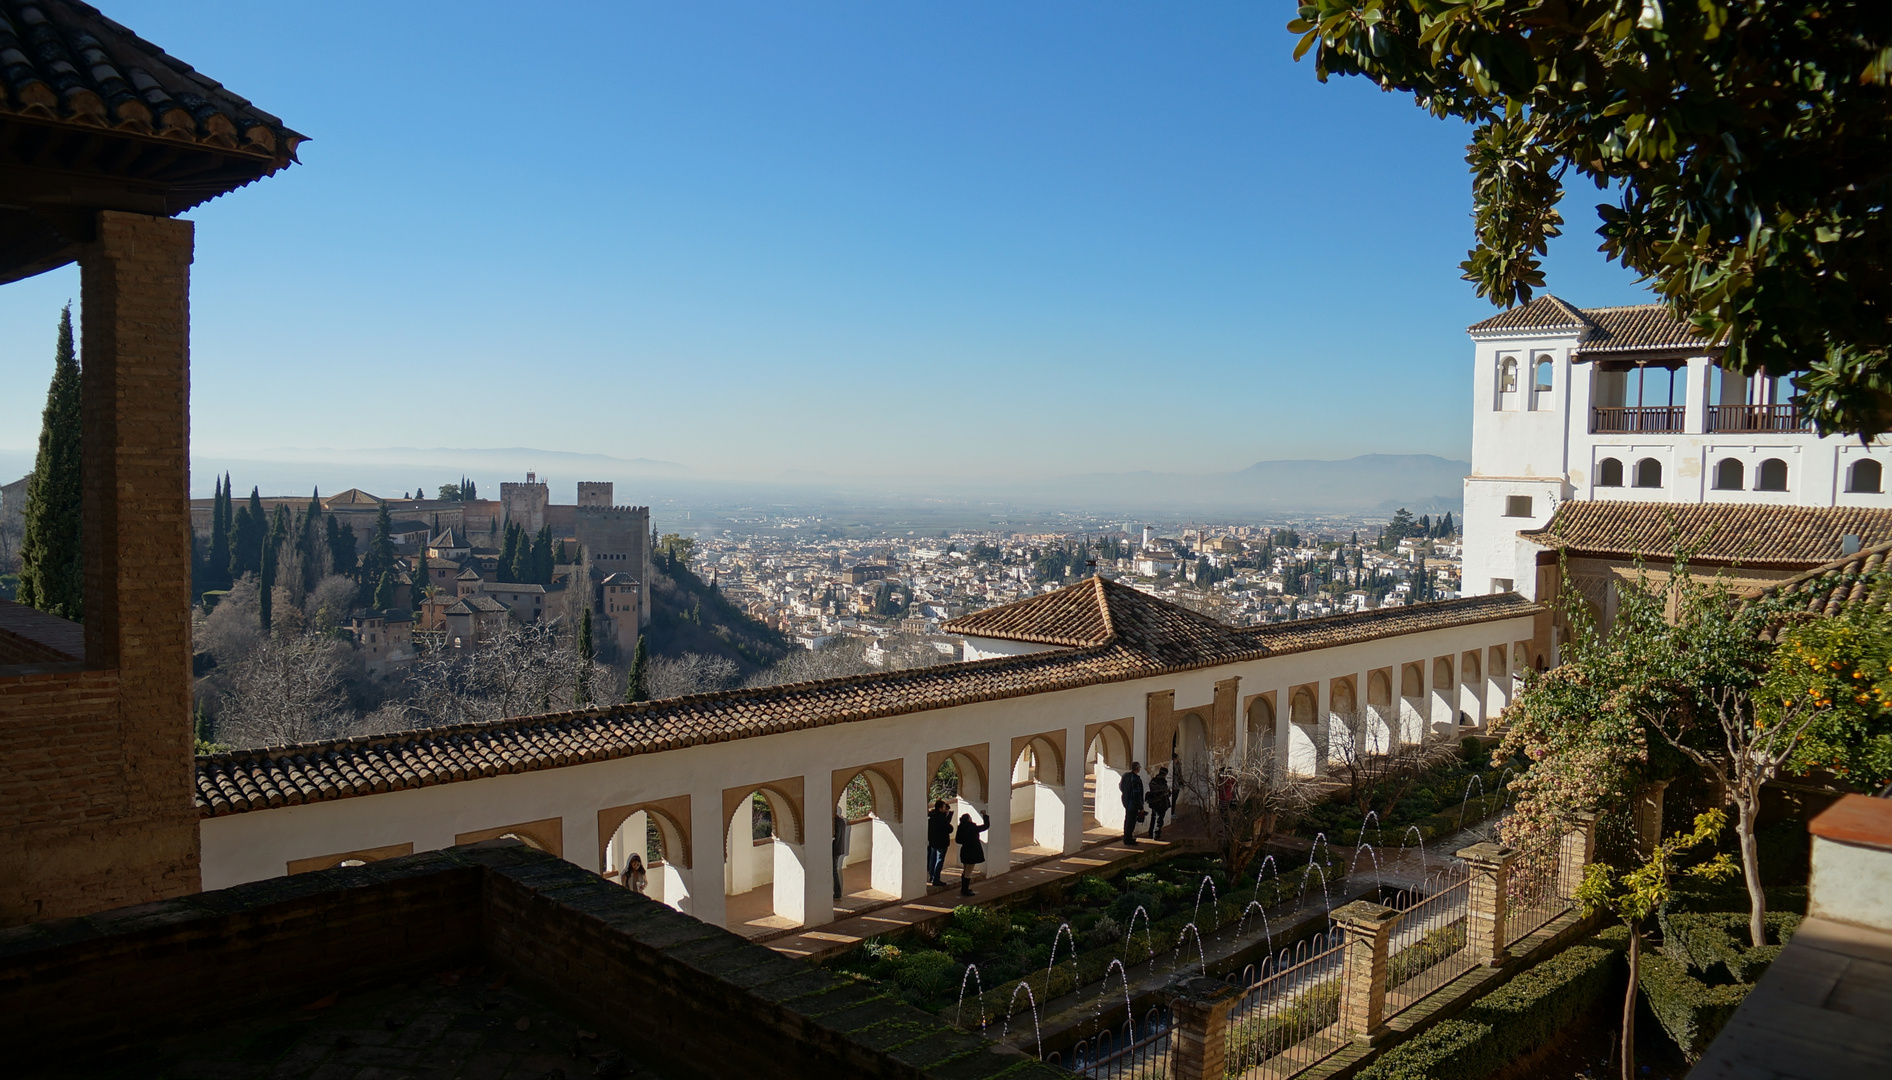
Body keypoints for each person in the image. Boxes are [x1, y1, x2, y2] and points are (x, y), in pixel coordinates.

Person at [955, 811, 991, 896]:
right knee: (968, 872)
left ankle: (964, 888)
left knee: (965, 870)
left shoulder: (960, 828)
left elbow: (958, 840)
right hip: (972, 851)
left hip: (964, 850)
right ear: (968, 819)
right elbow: (986, 826)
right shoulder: (972, 827)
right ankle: (965, 890)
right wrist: (985, 815)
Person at [926, 799, 954, 887]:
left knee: (932, 859)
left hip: (932, 841)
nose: (945, 809)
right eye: (944, 807)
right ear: (940, 808)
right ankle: (936, 879)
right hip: (941, 842)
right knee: (939, 860)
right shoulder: (941, 818)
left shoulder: (931, 816)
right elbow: (949, 829)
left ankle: (931, 876)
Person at [1119, 761, 1145, 845]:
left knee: (1127, 819)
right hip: (1132, 803)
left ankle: (1127, 837)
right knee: (1131, 821)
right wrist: (1141, 807)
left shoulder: (1126, 776)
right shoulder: (1135, 779)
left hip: (1126, 801)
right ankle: (1128, 839)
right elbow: (1136, 794)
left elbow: (1121, 786)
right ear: (1137, 769)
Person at [1145, 765, 1171, 841]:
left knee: (1154, 818)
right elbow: (1163, 793)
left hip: (1155, 804)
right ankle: (1155, 834)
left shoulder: (1154, 781)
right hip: (1160, 804)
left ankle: (1151, 833)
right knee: (1158, 819)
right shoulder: (1161, 783)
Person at [832, 813, 850, 900]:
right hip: (839, 848)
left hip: (834, 849)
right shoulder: (842, 821)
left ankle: (837, 893)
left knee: (833, 871)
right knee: (834, 870)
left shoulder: (834, 823)